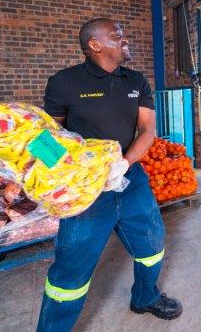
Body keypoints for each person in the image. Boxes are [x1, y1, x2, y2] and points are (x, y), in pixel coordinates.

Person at [37, 18, 182, 331]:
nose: (125, 38)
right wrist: (60, 177)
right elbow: (45, 138)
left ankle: (145, 297)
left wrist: (125, 163)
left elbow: (147, 130)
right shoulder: (64, 82)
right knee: (71, 272)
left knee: (152, 243)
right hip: (88, 191)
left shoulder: (136, 80)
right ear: (94, 45)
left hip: (130, 180)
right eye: (117, 34)